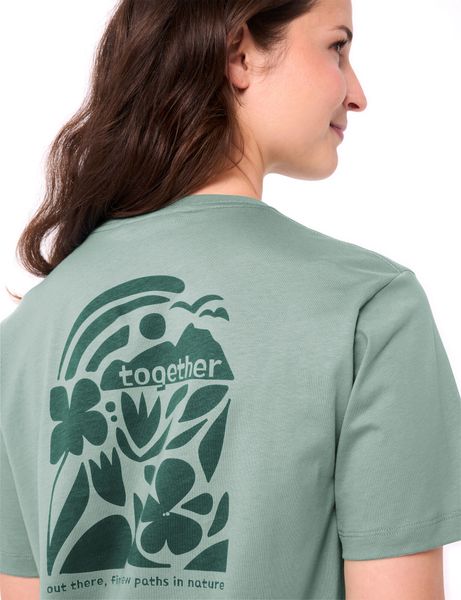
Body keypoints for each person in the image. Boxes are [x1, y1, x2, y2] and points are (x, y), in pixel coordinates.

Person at [1, 0, 460, 599]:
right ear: (239, 53)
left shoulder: (28, 333)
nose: (357, 95)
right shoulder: (369, 309)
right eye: (337, 48)